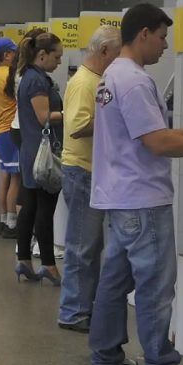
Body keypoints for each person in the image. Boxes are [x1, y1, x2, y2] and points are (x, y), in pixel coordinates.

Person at [89, 4, 183, 365]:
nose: (165, 46)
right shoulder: (134, 81)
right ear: (143, 34)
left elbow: (147, 134)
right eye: (162, 38)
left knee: (113, 286)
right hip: (143, 202)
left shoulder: (113, 75)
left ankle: (106, 361)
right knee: (155, 289)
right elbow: (157, 143)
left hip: (119, 199)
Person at [56, 25, 121, 334]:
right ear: (104, 51)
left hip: (88, 172)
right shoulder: (85, 83)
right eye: (119, 53)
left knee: (89, 246)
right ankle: (73, 312)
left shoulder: (94, 80)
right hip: (82, 171)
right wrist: (116, 115)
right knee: (82, 247)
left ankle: (83, 307)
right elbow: (78, 126)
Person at [13, 32, 64, 285]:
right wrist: (72, 113)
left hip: (32, 150)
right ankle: (49, 265)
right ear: (42, 55)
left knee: (31, 207)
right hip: (42, 155)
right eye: (57, 57)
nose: (60, 62)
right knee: (45, 208)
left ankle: (23, 259)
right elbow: (44, 116)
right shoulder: (36, 81)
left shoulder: (31, 77)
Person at [0, 37, 20, 238]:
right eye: (14, 52)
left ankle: (4, 220)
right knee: (16, 178)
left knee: (5, 176)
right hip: (12, 131)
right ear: (7, 54)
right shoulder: (11, 75)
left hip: (0, 129)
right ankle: (13, 224)